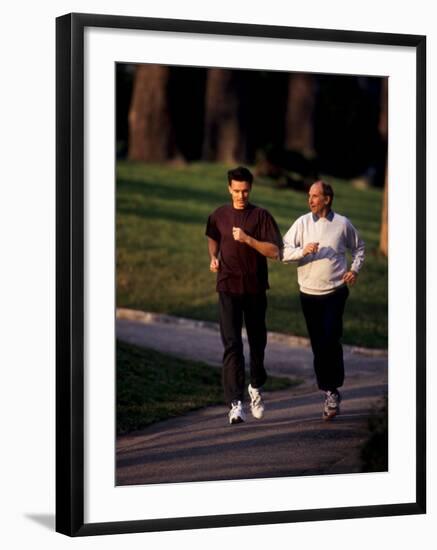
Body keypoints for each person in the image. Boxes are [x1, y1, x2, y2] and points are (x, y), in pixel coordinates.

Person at [282, 180, 365, 420]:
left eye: (315, 196)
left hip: (335, 292)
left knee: (330, 338)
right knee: (319, 345)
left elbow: (359, 248)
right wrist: (303, 251)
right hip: (308, 294)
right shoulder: (302, 222)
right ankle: (329, 391)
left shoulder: (342, 224)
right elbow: (283, 251)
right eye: (309, 195)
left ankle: (332, 388)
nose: (310, 200)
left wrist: (355, 270)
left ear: (327, 199)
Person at [205, 166, 282, 425]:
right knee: (232, 344)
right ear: (229, 188)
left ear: (251, 189)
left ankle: (256, 386)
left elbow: (274, 251)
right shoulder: (219, 215)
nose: (241, 195)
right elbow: (213, 237)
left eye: (245, 190)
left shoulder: (261, 216)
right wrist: (213, 257)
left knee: (257, 343)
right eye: (236, 191)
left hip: (255, 289)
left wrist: (248, 240)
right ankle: (235, 404)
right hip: (227, 287)